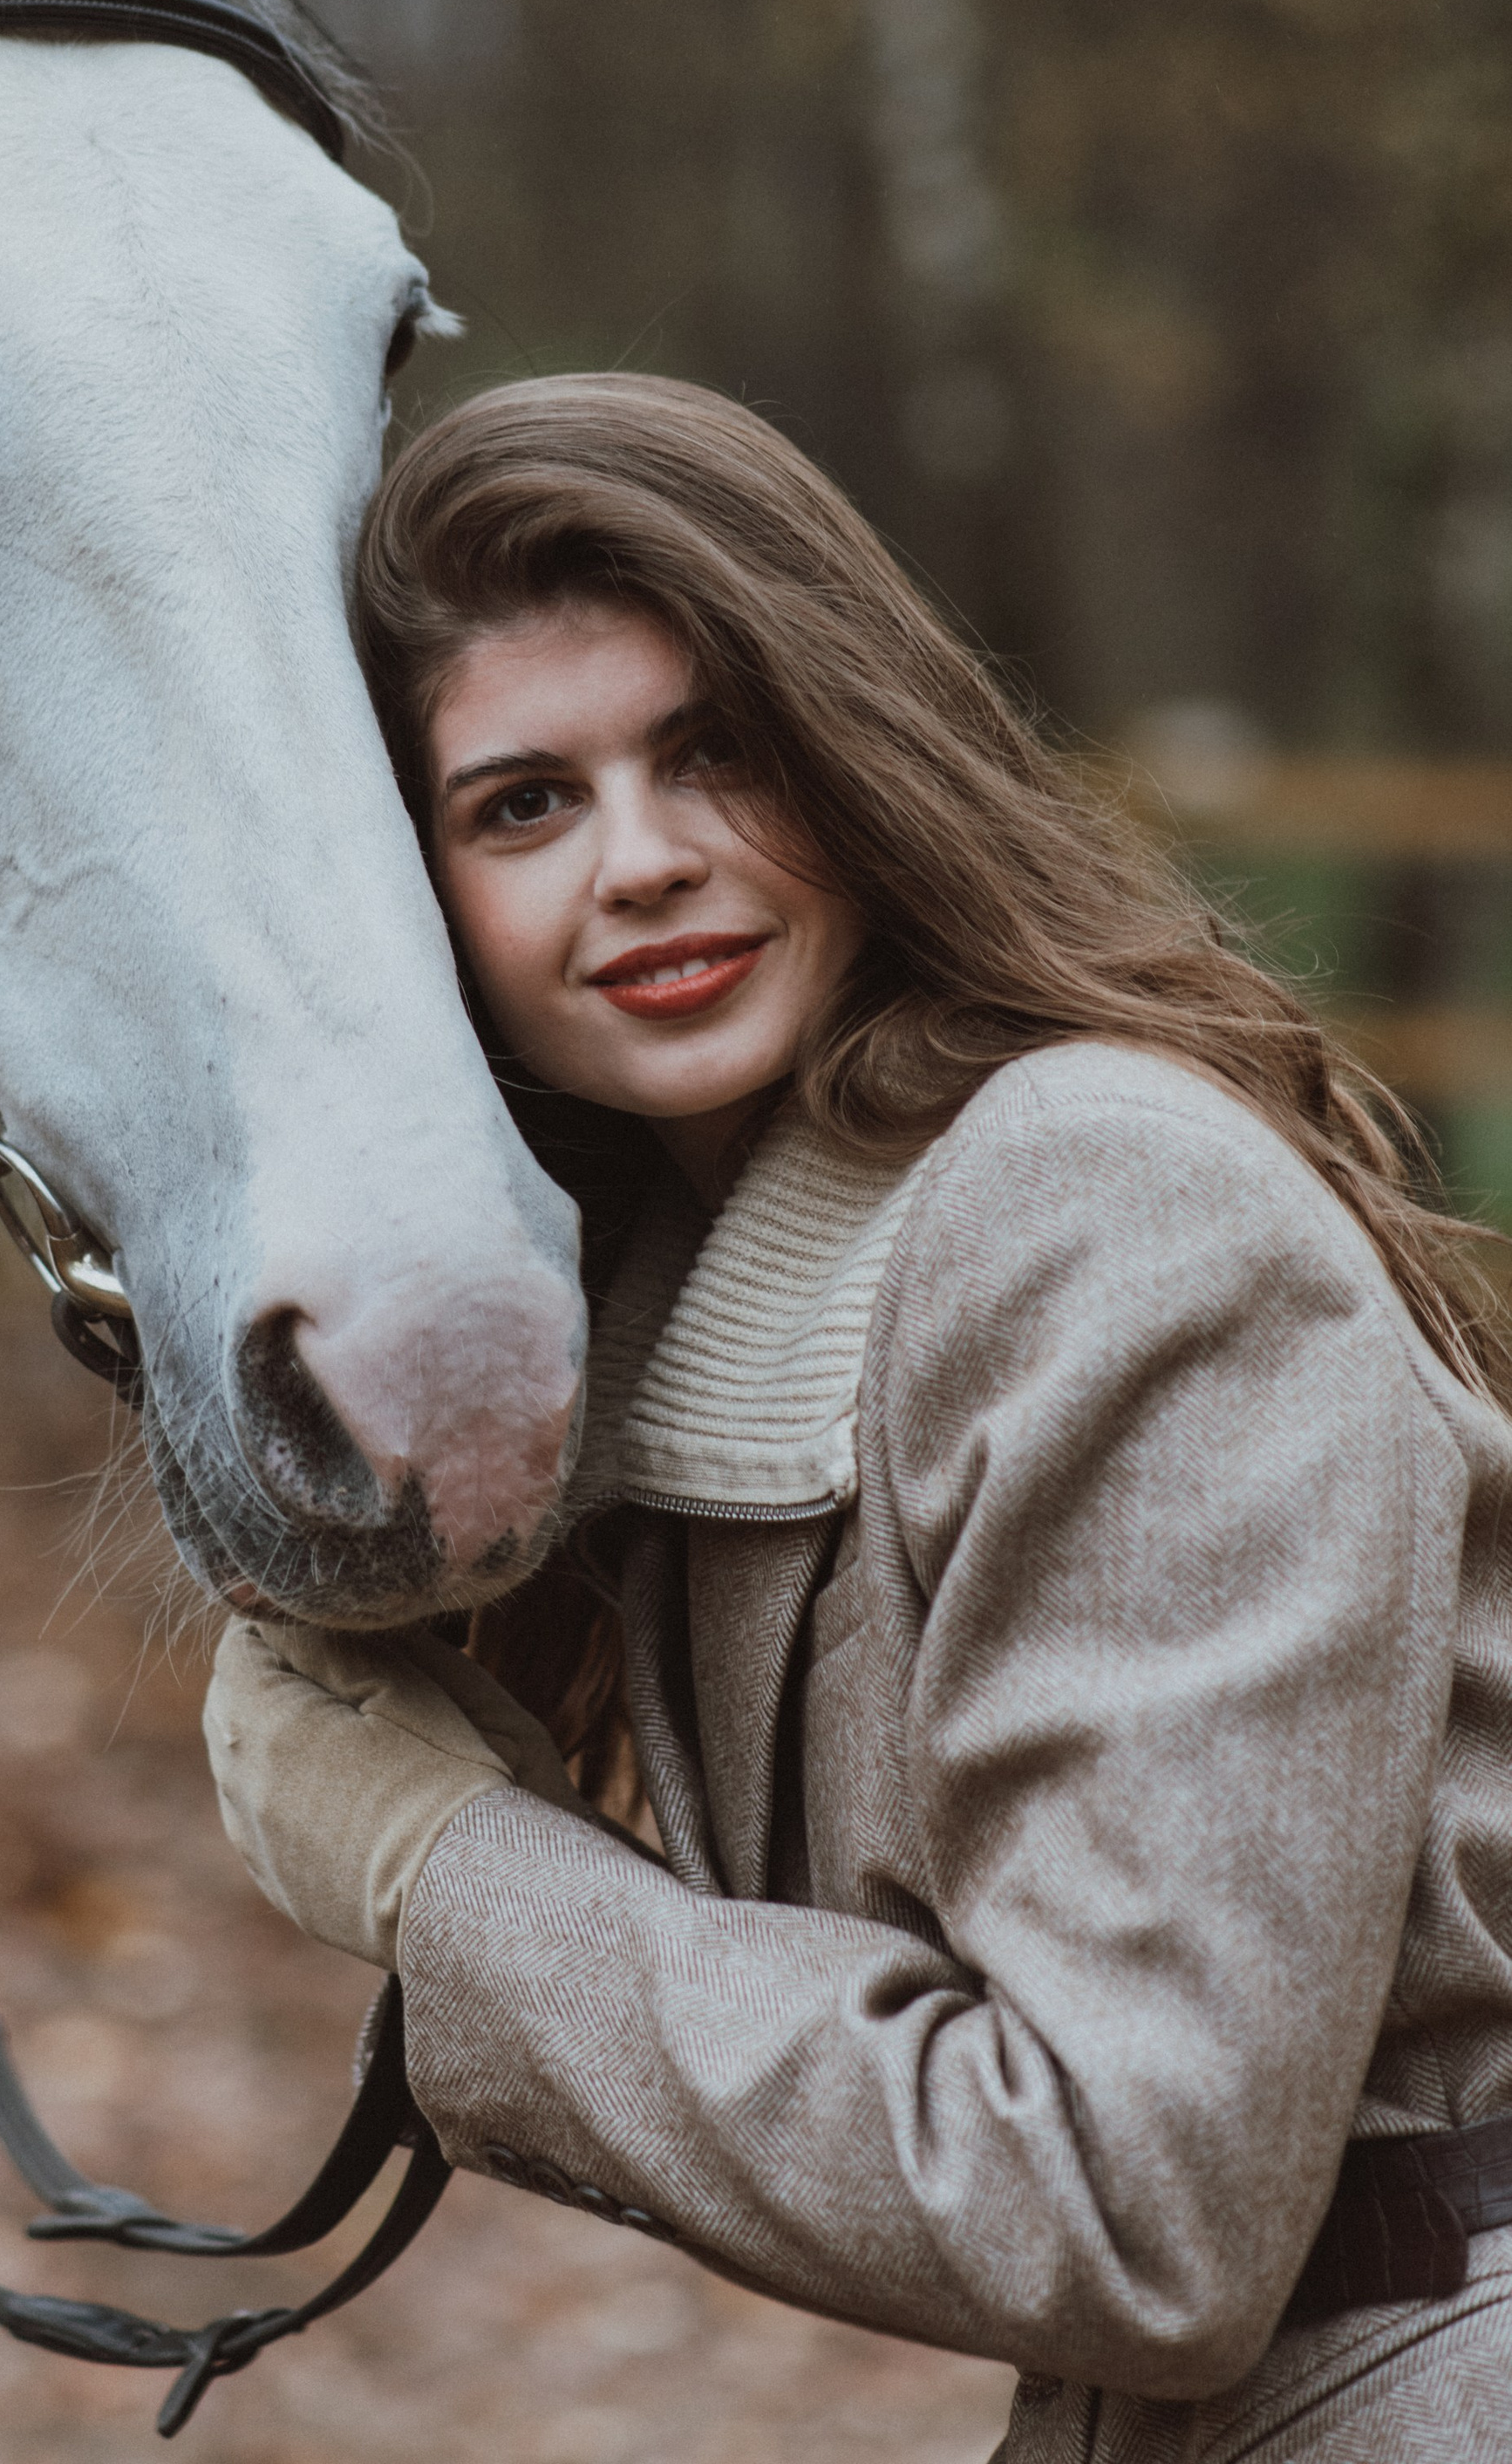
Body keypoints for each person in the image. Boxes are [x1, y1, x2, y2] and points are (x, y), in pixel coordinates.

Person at [204, 372, 1512, 2461]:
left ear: (851, 753)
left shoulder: (1100, 1209)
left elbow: (1132, 2212)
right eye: (520, 806)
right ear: (415, 904)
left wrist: (447, 1874)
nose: (641, 864)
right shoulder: (719, 1308)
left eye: (711, 751)